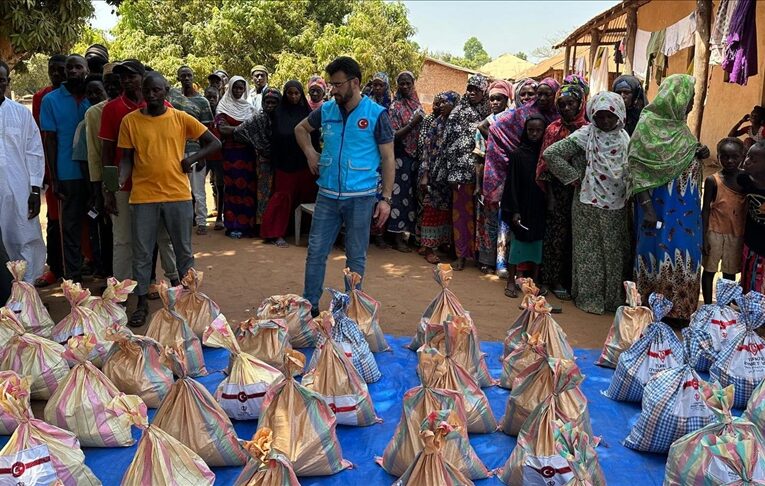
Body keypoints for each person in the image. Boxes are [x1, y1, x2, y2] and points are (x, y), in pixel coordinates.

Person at [117, 72, 221, 326]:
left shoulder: (181, 118)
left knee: (184, 251)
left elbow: (214, 143)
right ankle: (141, 303)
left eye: (157, 90)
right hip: (143, 197)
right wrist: (118, 182)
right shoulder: (130, 121)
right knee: (142, 253)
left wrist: (191, 159)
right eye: (148, 90)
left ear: (166, 91)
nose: (152, 95)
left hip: (177, 195)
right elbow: (127, 158)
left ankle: (189, 300)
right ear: (142, 91)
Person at [294, 56, 394, 314]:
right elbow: (301, 130)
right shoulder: (326, 110)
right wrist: (310, 153)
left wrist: (385, 199)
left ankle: (351, 309)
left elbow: (388, 158)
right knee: (316, 252)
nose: (333, 90)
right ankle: (310, 307)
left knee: (356, 256)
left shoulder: (376, 114)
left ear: (355, 83)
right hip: (327, 195)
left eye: (338, 84)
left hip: (361, 197)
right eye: (331, 84)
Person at [630, 74, 710, 322]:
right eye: (690, 98)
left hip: (686, 214)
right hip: (657, 210)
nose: (692, 104)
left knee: (684, 255)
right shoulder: (648, 125)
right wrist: (647, 208)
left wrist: (697, 151)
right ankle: (650, 308)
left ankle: (680, 310)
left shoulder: (681, 129)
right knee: (656, 252)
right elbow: (636, 167)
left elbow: (681, 157)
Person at [545, 91, 631, 315]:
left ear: (619, 115)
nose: (604, 121)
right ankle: (589, 299)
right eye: (600, 116)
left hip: (617, 204)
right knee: (588, 253)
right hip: (587, 203)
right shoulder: (585, 135)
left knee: (613, 253)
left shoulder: (625, 139)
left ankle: (612, 300)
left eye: (609, 116)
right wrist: (574, 177)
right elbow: (551, 154)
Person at [100, 59, 180, 295]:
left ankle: (175, 286)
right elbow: (107, 153)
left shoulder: (164, 106)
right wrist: (109, 188)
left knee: (163, 239)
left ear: (143, 76)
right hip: (124, 187)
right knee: (123, 240)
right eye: (122, 76)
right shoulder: (112, 109)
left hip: (158, 186)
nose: (126, 80)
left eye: (131, 75)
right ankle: (120, 293)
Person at [535, 75, 589, 300]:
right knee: (555, 236)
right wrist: (550, 198)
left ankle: (570, 281)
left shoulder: (588, 129)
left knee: (576, 238)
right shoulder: (553, 129)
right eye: (562, 105)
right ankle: (551, 279)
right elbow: (544, 165)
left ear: (580, 104)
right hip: (557, 192)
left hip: (583, 191)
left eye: (571, 104)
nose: (567, 108)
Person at [40, 54, 92, 283]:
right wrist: (54, 177)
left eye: (77, 67)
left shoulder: (95, 95)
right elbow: (49, 140)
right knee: (69, 227)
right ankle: (74, 277)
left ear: (86, 70)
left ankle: (103, 271)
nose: (72, 71)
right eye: (69, 68)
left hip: (94, 174)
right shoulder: (50, 100)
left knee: (97, 223)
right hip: (67, 173)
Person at [246, 82, 316, 247]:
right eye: (290, 93)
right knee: (282, 197)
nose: (293, 97)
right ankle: (275, 233)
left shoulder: (309, 113)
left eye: (297, 93)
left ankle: (301, 231)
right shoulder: (278, 114)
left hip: (306, 164)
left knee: (306, 198)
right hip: (284, 164)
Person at [0, 60, 46, 283]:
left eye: (1, 80)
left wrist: (35, 191)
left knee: (23, 237)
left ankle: (26, 295)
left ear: (7, 82)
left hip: (19, 189)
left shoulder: (21, 113)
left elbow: (34, 152)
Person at [440, 74, 490, 271]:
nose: (471, 93)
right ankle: (461, 255)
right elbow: (448, 144)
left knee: (482, 218)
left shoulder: (490, 111)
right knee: (461, 216)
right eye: (469, 88)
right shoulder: (457, 112)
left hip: (486, 173)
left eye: (476, 89)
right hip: (461, 174)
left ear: (484, 91)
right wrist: (451, 173)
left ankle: (481, 257)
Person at [501, 116, 547, 298]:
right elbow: (511, 184)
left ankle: (534, 282)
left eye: (538, 130)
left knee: (537, 244)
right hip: (520, 205)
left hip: (538, 206)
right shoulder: (517, 154)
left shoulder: (545, 154)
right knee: (517, 244)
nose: (534, 134)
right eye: (530, 130)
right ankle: (511, 281)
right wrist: (515, 210)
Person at [32, 54, 67, 288]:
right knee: (54, 219)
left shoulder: (80, 93)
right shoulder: (40, 97)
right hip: (49, 168)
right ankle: (55, 268)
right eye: (51, 68)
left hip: (75, 168)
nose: (56, 73)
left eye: (60, 69)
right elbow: (37, 135)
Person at [168, 66, 214, 235]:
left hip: (195, 150)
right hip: (175, 149)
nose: (186, 78)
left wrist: (202, 155)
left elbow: (206, 130)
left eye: (189, 75)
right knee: (179, 189)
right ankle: (183, 222)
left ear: (193, 77)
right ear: (178, 78)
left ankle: (202, 221)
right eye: (183, 76)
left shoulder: (202, 102)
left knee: (198, 190)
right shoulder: (173, 99)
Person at [701, 138, 747, 304]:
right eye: (725, 156)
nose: (729, 161)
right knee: (709, 271)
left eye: (734, 157)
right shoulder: (713, 180)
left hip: (736, 234)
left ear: (742, 157)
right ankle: (707, 306)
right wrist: (704, 235)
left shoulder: (745, 180)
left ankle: (724, 308)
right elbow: (705, 209)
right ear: (718, 157)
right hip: (714, 232)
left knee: (730, 273)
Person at [475, 80, 512, 274]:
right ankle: (486, 260)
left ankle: (502, 262)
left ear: (507, 99)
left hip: (509, 178)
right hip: (490, 178)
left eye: (499, 99)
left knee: (505, 221)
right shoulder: (488, 121)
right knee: (488, 220)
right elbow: (479, 155)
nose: (495, 102)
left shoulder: (512, 121)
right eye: (492, 99)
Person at [418, 91, 458, 265]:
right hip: (434, 176)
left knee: (447, 212)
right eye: (439, 103)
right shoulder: (436, 124)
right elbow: (426, 151)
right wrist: (425, 175)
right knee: (431, 210)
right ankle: (428, 248)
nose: (440, 106)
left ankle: (443, 245)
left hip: (450, 178)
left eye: (445, 103)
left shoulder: (457, 124)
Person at [215, 76, 257, 238]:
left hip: (248, 154)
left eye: (241, 88)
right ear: (230, 88)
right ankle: (233, 225)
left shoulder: (249, 107)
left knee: (248, 188)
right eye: (235, 88)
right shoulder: (223, 106)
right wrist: (242, 129)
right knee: (233, 188)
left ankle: (248, 225)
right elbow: (222, 129)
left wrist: (234, 129)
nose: (238, 91)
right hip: (231, 155)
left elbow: (254, 128)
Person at [387, 71, 423, 251]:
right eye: (402, 83)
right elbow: (393, 135)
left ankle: (408, 233)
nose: (405, 87)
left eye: (408, 83)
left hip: (415, 156)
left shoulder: (417, 104)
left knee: (411, 197)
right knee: (399, 197)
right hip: (400, 156)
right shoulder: (395, 107)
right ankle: (396, 236)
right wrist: (412, 124)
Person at [739, 141, 765, 293]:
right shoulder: (744, 180)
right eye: (747, 156)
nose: (747, 161)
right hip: (751, 243)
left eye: (754, 160)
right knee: (749, 280)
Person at [203, 85, 225, 230]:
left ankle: (219, 217)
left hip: (219, 156)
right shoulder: (201, 115)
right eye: (208, 97)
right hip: (204, 156)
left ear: (218, 98)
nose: (211, 100)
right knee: (197, 186)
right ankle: (197, 216)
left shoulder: (221, 115)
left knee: (220, 185)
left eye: (214, 97)